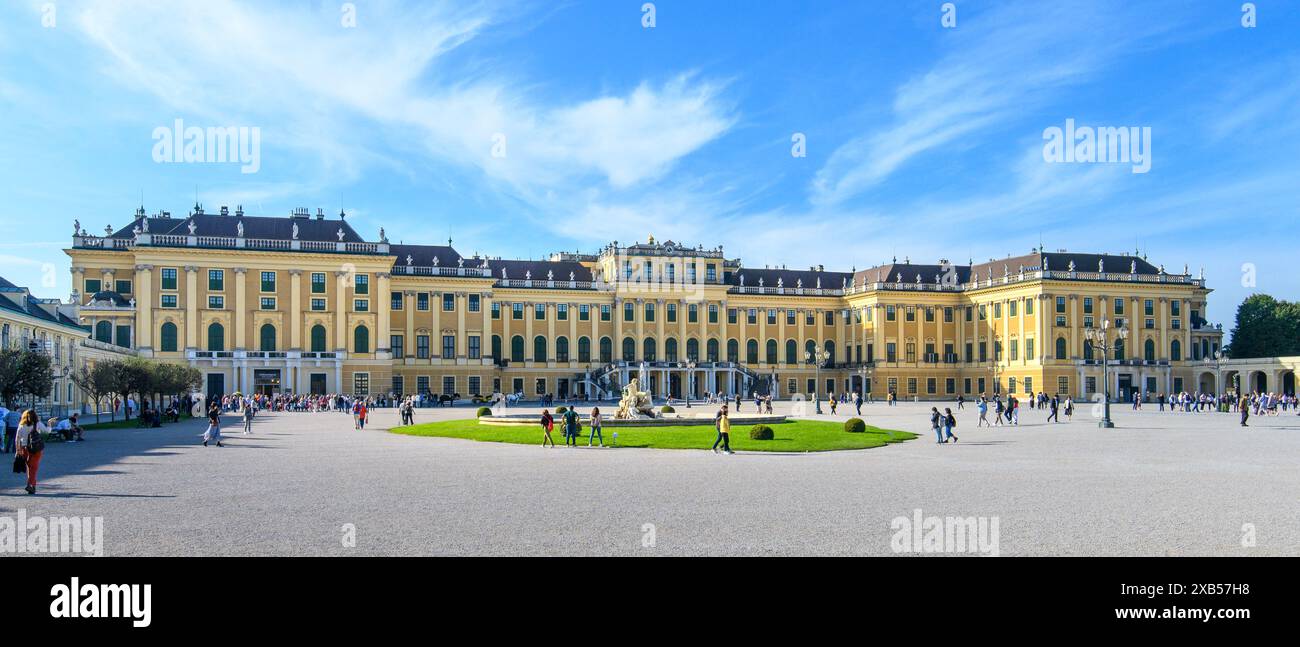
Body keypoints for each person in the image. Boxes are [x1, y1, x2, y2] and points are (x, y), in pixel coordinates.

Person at [15, 410, 49, 494]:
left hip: (24, 448)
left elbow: (17, 439)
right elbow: (47, 431)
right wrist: (49, 424)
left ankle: (31, 486)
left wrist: (17, 450)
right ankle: (30, 485)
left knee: (29, 468)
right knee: (34, 468)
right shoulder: (38, 424)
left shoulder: (21, 425)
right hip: (36, 448)